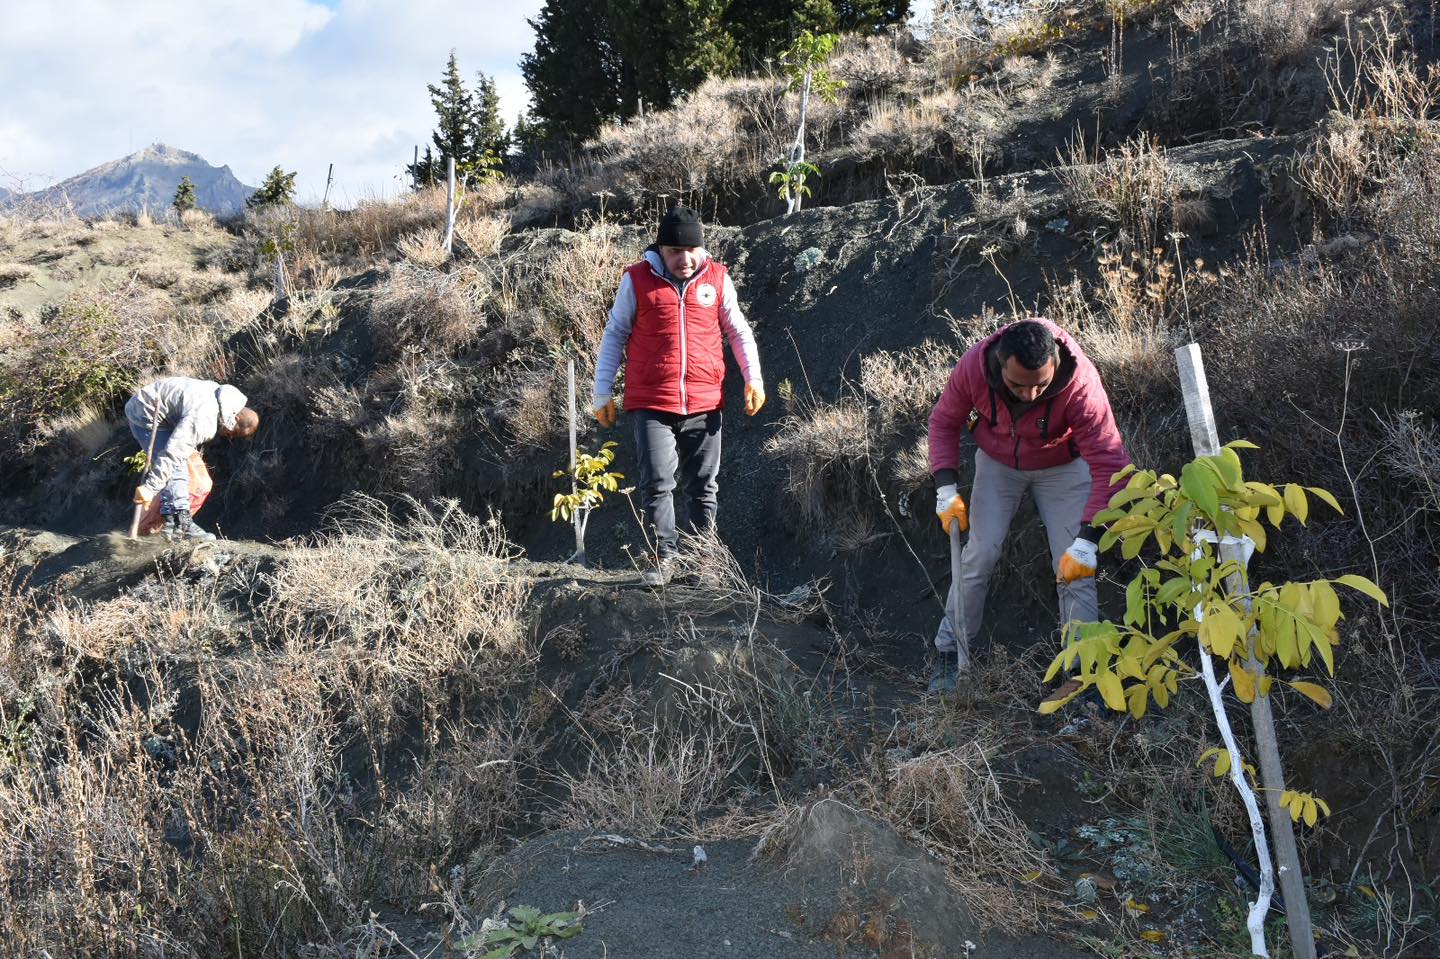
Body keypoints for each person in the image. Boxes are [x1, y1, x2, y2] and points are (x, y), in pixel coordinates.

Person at [927, 318, 1130, 697]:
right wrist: (945, 488)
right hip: (998, 462)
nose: (1031, 394)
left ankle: (1081, 677)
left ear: (1055, 363)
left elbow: (1111, 465)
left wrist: (1087, 541)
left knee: (1074, 569)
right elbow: (944, 422)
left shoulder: (1081, 385)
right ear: (1000, 364)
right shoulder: (974, 365)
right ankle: (949, 655)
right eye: (1018, 384)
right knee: (979, 556)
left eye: (1041, 384)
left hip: (1063, 467)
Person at [592, 206, 764, 586]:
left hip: (705, 402)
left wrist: (754, 378)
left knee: (704, 484)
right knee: (657, 481)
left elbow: (738, 331)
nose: (683, 259)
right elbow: (614, 334)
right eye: (674, 251)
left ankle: (704, 561)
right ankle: (664, 558)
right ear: (661, 249)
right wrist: (602, 391)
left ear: (701, 249)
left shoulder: (718, 280)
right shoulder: (637, 280)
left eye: (690, 251)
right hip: (651, 402)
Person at [127, 376, 259, 542]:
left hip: (165, 416)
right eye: (233, 433)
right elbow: (172, 455)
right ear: (236, 418)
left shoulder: (223, 400)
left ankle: (166, 524)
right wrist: (150, 487)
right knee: (177, 470)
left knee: (198, 480)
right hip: (146, 415)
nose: (229, 437)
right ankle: (181, 524)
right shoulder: (204, 418)